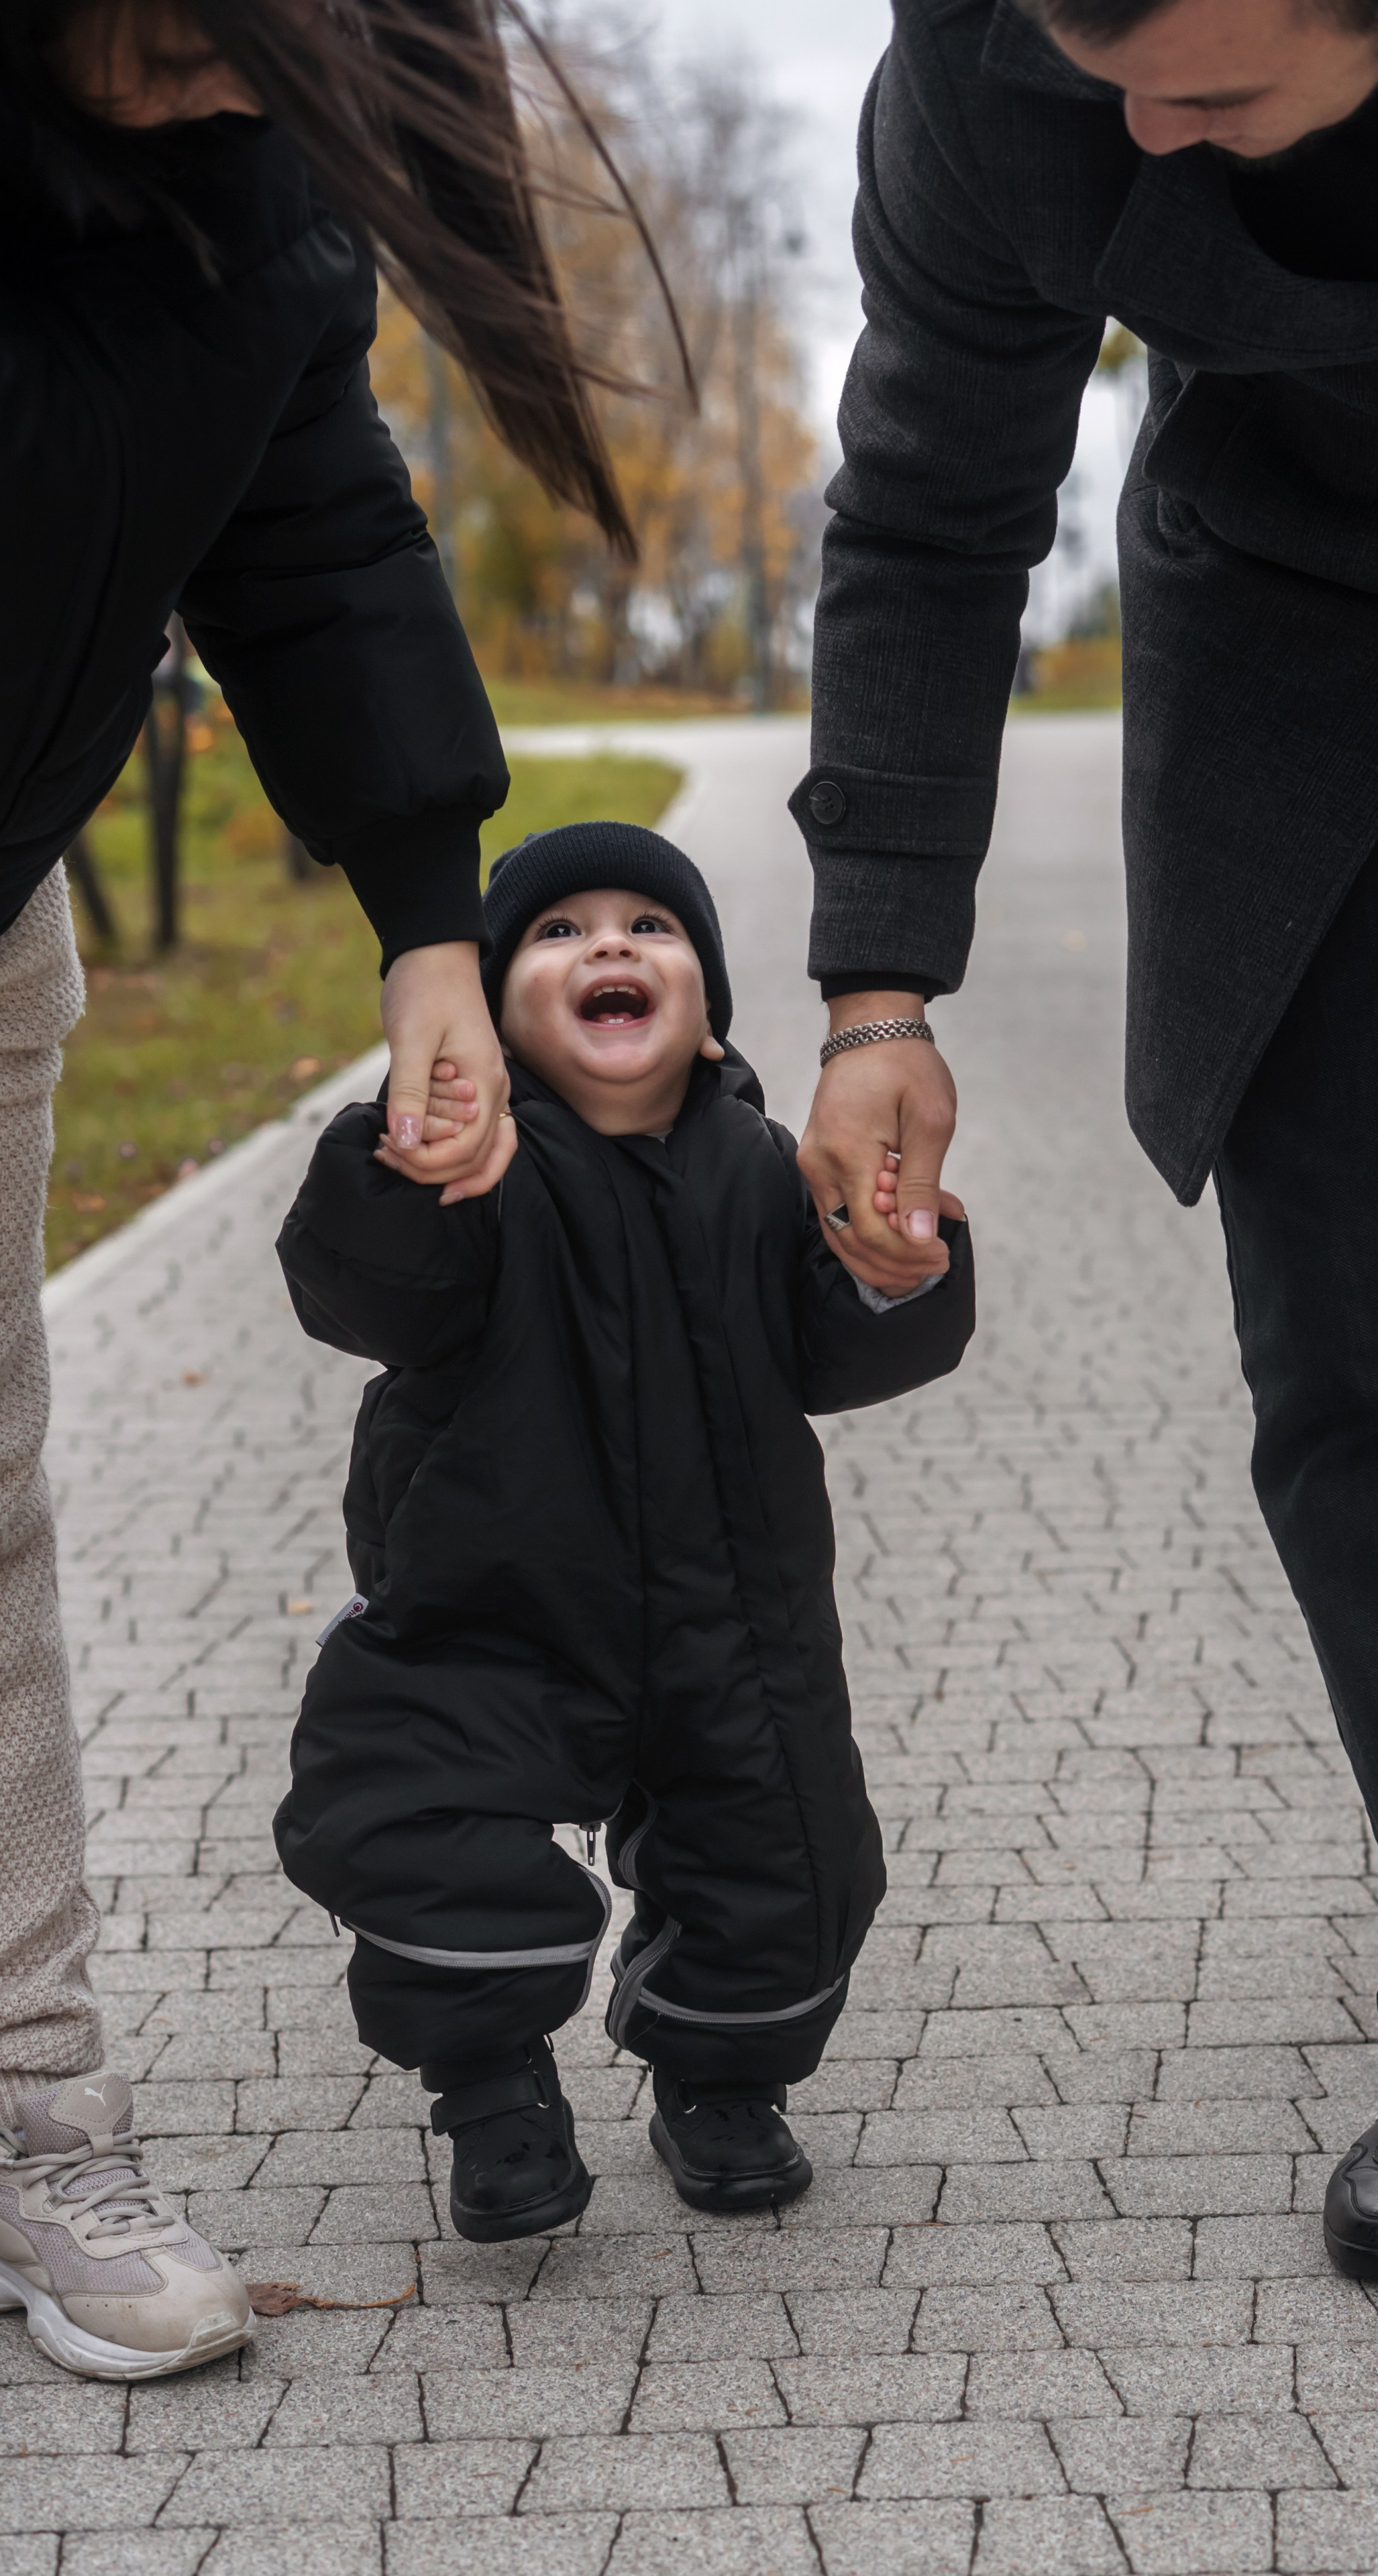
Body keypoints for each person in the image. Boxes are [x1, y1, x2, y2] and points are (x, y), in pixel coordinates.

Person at [792, 0, 1378, 2286]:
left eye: (1204, 90)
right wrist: (880, 986)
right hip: (1305, 642)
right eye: (1101, 71)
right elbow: (933, 492)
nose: (1139, 131)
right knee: (1367, 1367)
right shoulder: (996, 67)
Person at [0, 0, 629, 2377]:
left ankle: (23, 2105)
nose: (230, 95)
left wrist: (430, 923)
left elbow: (314, 522)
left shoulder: (270, 189)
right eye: (181, 42)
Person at [270, 820, 975, 2240]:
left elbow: (835, 1349)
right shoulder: (474, 1170)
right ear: (488, 1019)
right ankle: (489, 2088)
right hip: (488, 1609)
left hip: (735, 1617)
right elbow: (365, 1293)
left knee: (788, 1859)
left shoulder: (766, 1167)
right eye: (556, 931)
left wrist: (898, 1275)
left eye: (650, 928)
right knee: (417, 1829)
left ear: (705, 1012)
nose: (608, 943)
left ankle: (721, 2079)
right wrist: (395, 1163)